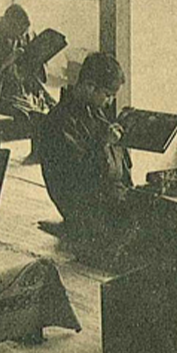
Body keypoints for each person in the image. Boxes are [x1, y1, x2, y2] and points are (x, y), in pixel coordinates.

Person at [40, 52, 134, 259]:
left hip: (100, 194)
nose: (109, 102)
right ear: (90, 86)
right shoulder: (59, 120)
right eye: (108, 95)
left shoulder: (92, 110)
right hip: (79, 203)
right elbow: (78, 174)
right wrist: (104, 143)